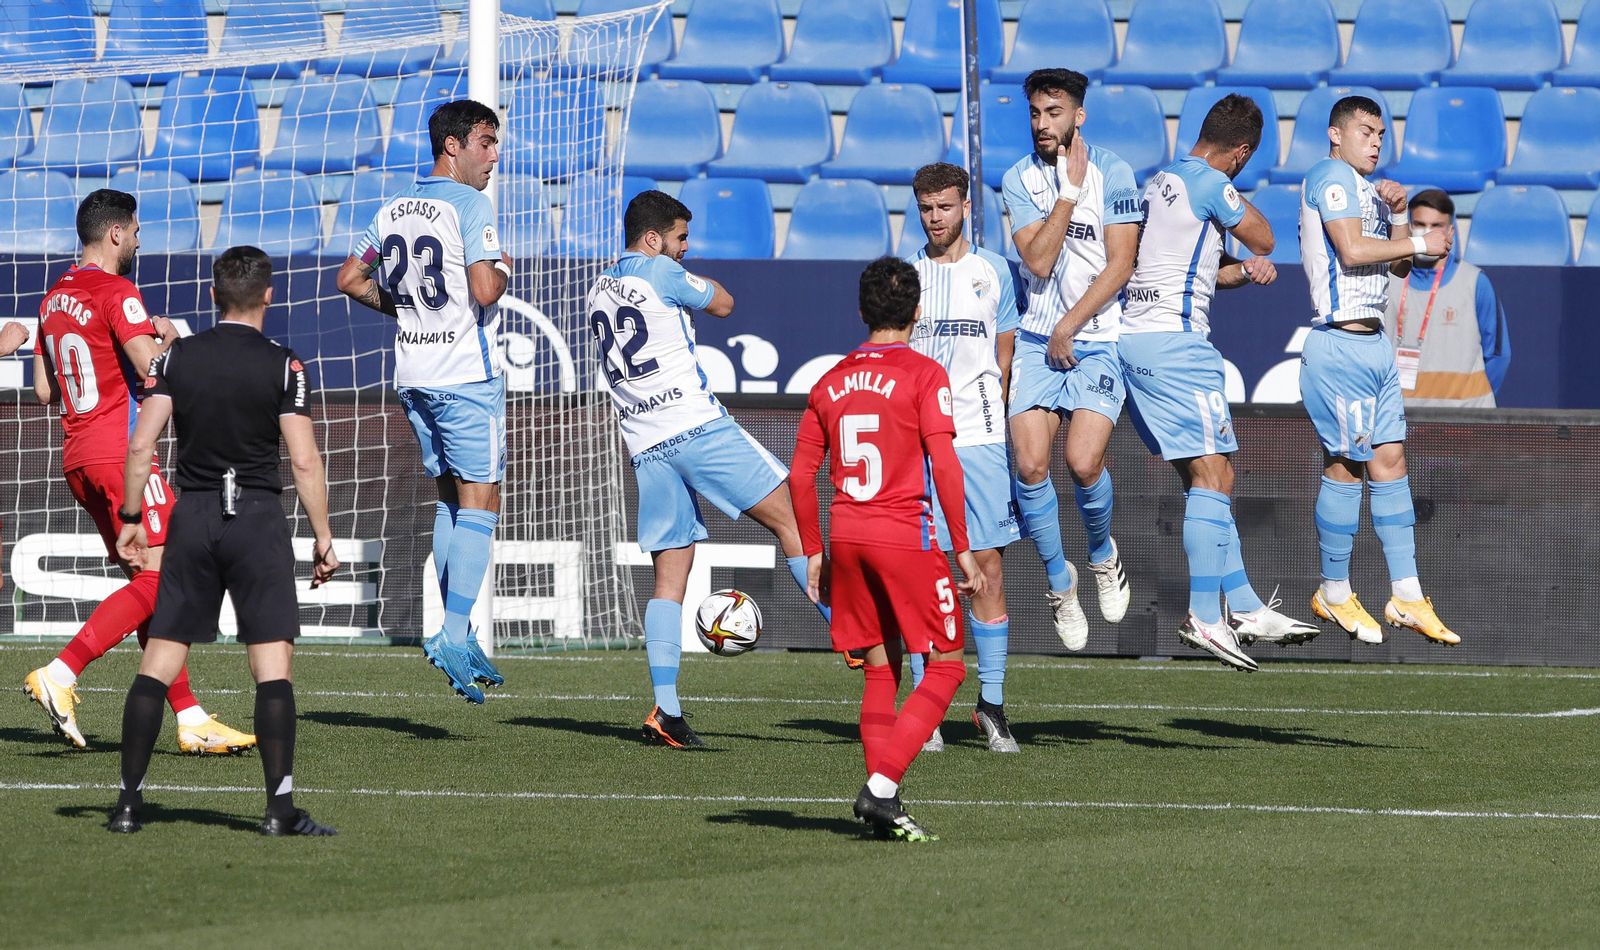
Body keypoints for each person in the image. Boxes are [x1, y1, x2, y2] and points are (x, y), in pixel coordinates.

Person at [584, 190, 830, 749]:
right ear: (653, 239)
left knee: (670, 580)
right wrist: (687, 280)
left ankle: (666, 711)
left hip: (645, 445)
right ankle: (849, 637)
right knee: (795, 518)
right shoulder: (660, 271)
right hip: (696, 428)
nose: (686, 248)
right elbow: (724, 303)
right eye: (680, 238)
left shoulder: (598, 288)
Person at [107, 246, 339, 835]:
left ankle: (128, 805)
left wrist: (131, 515)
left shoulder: (176, 356)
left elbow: (141, 445)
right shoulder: (285, 364)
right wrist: (323, 538)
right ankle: (279, 810)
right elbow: (305, 462)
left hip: (194, 516)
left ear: (213, 296)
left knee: (160, 660)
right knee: (272, 667)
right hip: (257, 519)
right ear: (269, 295)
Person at [21, 189, 254, 753]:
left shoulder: (53, 299)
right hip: (120, 454)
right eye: (136, 231)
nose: (139, 241)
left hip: (78, 457)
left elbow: (45, 390)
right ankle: (61, 671)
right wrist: (172, 341)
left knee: (149, 581)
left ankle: (190, 717)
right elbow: (155, 369)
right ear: (116, 233)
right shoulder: (117, 291)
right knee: (171, 576)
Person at [1119, 95, 1321, 672]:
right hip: (1178, 345)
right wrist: (1235, 209)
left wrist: (1236, 270)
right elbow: (1264, 237)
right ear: (1242, 151)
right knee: (1217, 475)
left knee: (1204, 479)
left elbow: (1195, 266)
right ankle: (1206, 616)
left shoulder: (1158, 183)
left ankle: (1247, 607)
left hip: (1138, 340)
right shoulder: (1210, 182)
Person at [790, 256, 983, 841]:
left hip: (846, 535)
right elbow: (944, 463)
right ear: (917, 313)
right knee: (946, 665)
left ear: (861, 312)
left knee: (880, 669)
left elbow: (800, 476)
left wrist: (814, 550)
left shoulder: (829, 381)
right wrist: (964, 548)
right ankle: (880, 789)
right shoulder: (925, 374)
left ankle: (885, 802)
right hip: (904, 536)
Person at [337, 99, 509, 702]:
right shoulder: (471, 204)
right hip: (464, 375)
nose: (494, 155)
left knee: (449, 500)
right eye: (486, 142)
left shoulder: (392, 208)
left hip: (413, 373)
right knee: (481, 499)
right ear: (453, 146)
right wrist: (504, 268)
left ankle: (459, 630)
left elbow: (350, 279)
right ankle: (455, 634)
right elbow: (485, 289)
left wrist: (408, 309)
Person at [1298, 96, 1458, 646]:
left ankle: (1407, 595)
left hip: (1375, 344)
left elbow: (1398, 266)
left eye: (1381, 134)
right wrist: (1419, 238)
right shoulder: (1329, 177)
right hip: (1340, 342)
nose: (1375, 142)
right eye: (1365, 131)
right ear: (1335, 134)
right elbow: (1349, 249)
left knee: (1390, 461)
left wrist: (1399, 215)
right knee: (1347, 467)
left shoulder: (1367, 190)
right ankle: (1333, 590)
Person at [1001, 67, 1140, 651]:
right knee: (1031, 466)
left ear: (1078, 116)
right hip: (1036, 341)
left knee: (1083, 463)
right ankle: (1061, 582)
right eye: (1035, 112)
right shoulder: (1017, 178)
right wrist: (1067, 191)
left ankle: (1103, 554)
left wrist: (1070, 325)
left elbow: (1121, 264)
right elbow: (1036, 260)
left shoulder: (1117, 172)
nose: (1042, 123)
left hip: (1097, 339)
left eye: (1053, 112)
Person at [903, 162, 1022, 753]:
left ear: (966, 206)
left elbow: (1004, 359)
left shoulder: (994, 271)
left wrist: (993, 417)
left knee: (988, 568)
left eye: (945, 207)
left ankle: (991, 705)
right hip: (915, 443)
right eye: (926, 208)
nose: (935, 218)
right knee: (920, 572)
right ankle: (925, 706)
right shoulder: (905, 277)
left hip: (978, 438)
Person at [1382, 189, 1510, 408]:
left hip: (1466, 417)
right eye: (1419, 224)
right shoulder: (1386, 280)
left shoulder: (1475, 281)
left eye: (1436, 226)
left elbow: (1498, 355)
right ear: (1408, 227)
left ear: (1450, 232)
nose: (1427, 233)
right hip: (1400, 416)